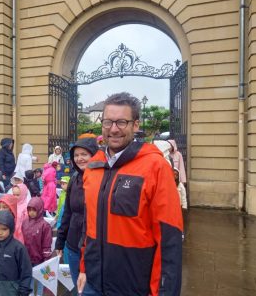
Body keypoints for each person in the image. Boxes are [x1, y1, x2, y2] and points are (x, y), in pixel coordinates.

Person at [77, 92, 183, 296]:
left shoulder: (155, 166)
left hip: (133, 287)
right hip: (93, 282)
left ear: (135, 125)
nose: (113, 129)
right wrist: (83, 267)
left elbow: (169, 239)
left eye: (121, 122)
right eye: (108, 122)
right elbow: (88, 226)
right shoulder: (93, 166)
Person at [55, 137, 98, 290]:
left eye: (84, 154)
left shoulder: (103, 178)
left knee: (91, 290)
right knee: (78, 288)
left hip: (94, 249)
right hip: (73, 245)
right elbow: (67, 212)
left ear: (94, 154)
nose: (79, 158)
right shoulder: (74, 179)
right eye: (76, 155)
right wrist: (60, 240)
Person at [22, 197, 52, 296]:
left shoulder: (45, 226)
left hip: (39, 259)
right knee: (28, 278)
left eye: (34, 210)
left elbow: (47, 243)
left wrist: (46, 259)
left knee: (39, 279)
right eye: (29, 210)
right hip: (27, 258)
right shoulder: (25, 223)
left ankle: (38, 294)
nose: (31, 212)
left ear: (39, 209)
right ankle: (30, 294)